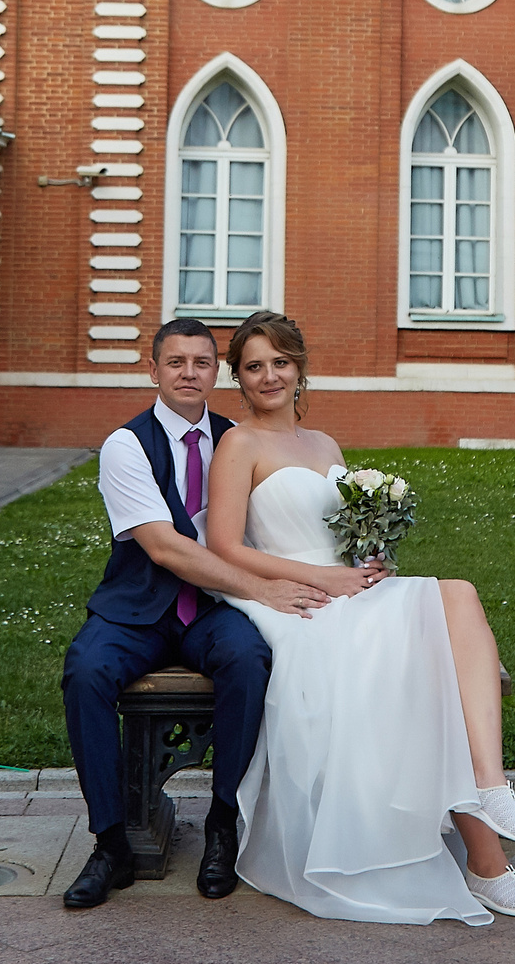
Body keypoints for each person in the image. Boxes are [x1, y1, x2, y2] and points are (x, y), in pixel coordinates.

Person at [205, 310, 515, 924]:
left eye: (280, 363)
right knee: (430, 664)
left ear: (298, 368)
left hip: (346, 586)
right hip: (295, 601)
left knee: (460, 595)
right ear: (238, 376)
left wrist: (368, 561)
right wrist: (325, 579)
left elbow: (336, 533)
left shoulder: (323, 444)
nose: (269, 376)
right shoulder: (239, 444)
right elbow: (227, 546)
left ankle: (490, 784)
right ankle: (487, 863)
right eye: (254, 366)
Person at [58, 318, 329, 910]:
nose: (188, 373)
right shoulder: (126, 445)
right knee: (86, 670)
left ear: (216, 373)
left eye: (201, 363)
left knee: (249, 659)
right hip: (138, 610)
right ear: (152, 370)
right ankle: (111, 843)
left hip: (211, 609)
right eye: (175, 362)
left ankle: (222, 825)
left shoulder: (237, 439)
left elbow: (272, 531)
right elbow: (164, 546)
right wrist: (263, 592)